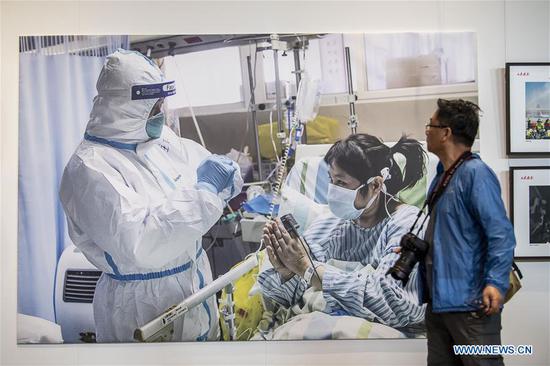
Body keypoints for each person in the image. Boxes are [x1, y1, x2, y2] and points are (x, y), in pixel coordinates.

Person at [59, 50, 243, 342]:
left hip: (194, 287)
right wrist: (206, 194)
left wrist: (222, 178)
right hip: (140, 307)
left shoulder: (156, 138)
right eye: (154, 106)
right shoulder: (90, 168)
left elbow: (210, 171)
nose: (162, 112)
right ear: (126, 108)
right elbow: (143, 244)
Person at [258, 133, 428, 333]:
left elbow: (394, 300)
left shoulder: (410, 227)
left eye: (341, 183)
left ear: (375, 185)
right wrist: (287, 272)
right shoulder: (330, 224)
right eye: (331, 180)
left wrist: (309, 269)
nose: (332, 190)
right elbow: (291, 298)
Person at [422, 98, 516, 365]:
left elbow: (501, 235)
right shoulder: (442, 177)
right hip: (439, 304)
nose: (426, 131)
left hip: (471, 306)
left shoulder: (476, 174)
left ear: (446, 133)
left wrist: (496, 283)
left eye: (431, 125)